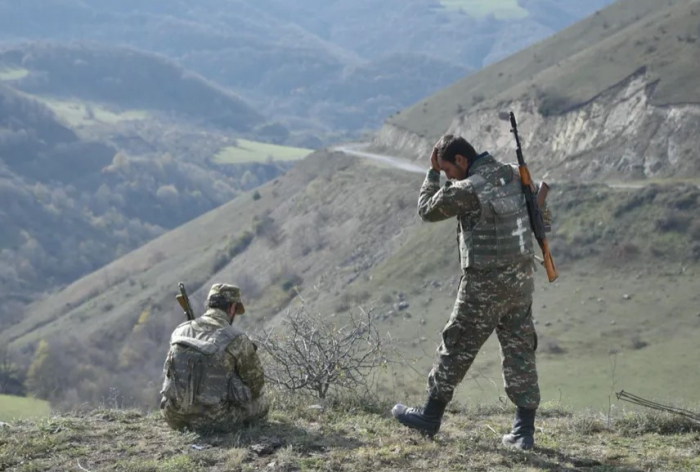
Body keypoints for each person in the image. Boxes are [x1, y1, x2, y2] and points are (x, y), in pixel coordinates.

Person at [392, 135, 541, 450]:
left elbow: (426, 209)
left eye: (448, 170)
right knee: (520, 351)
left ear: (461, 161)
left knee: (456, 346)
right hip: (520, 281)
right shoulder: (513, 174)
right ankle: (523, 430)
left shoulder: (468, 189)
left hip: (484, 287)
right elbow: (538, 210)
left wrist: (431, 174)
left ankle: (429, 418)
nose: (448, 176)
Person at [160, 283, 269, 433]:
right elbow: (256, 385)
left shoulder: (179, 331)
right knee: (261, 403)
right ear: (232, 308)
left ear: (210, 305)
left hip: (173, 417)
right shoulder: (236, 338)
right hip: (215, 422)